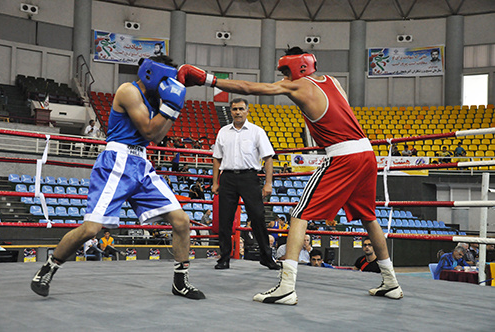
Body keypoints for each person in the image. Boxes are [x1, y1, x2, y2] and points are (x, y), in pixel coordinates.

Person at [178, 45, 403, 304]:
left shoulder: (299, 86)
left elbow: (253, 89)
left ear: (299, 67)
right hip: (366, 153)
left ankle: (286, 286)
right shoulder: (333, 82)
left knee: (299, 215)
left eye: (285, 71)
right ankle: (391, 282)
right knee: (368, 216)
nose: (283, 78)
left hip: (342, 156)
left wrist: (209, 79)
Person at [31, 55, 205, 300]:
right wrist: (171, 106)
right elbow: (147, 129)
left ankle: (180, 282)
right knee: (91, 230)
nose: (170, 82)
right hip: (117, 162)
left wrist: (172, 107)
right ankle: (48, 268)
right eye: (167, 76)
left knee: (181, 221)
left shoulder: (157, 100)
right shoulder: (128, 91)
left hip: (141, 163)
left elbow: (156, 138)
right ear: (151, 73)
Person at [210, 98, 279, 271]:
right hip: (227, 179)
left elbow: (268, 158)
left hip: (250, 177)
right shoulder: (223, 132)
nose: (238, 112)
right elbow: (217, 159)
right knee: (225, 220)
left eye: (241, 109)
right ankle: (224, 258)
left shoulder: (257, 132)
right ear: (231, 111)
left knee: (257, 217)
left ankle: (266, 257)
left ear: (247, 111)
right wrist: (215, 182)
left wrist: (268, 183)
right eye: (234, 109)